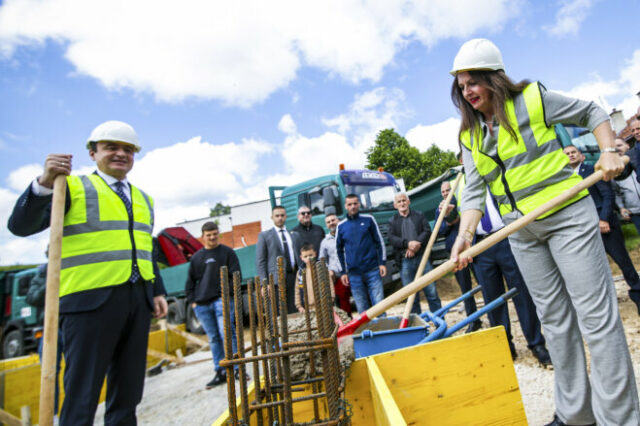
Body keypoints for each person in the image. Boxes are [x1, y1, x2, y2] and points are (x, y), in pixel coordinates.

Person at [449, 38, 639, 425]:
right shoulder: (470, 135)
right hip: (522, 233)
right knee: (554, 321)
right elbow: (473, 190)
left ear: (494, 77)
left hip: (568, 217)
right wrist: (465, 236)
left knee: (596, 317)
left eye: (473, 82)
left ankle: (620, 418)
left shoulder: (533, 100)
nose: (467, 91)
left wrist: (607, 150)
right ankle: (575, 416)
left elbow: (592, 112)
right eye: (461, 85)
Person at [8, 120, 168, 425]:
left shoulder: (143, 198)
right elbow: (20, 226)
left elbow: (143, 248)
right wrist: (44, 182)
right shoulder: (69, 187)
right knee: (82, 395)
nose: (121, 154)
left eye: (128, 149)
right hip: (87, 304)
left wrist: (157, 290)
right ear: (93, 153)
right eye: (111, 147)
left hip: (137, 301)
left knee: (128, 394)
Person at [455, 173, 551, 364]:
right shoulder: (460, 185)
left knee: (521, 293)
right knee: (492, 300)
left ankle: (536, 343)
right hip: (480, 247)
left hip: (506, 239)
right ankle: (505, 345)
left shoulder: (495, 173)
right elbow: (456, 217)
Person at [564, 144, 640, 314]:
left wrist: (604, 219)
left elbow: (608, 195)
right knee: (594, 269)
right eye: (567, 154)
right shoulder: (564, 178)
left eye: (573, 152)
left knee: (624, 263)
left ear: (581, 155)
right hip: (582, 229)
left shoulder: (593, 170)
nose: (571, 155)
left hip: (605, 226)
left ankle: (638, 294)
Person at [185, 221, 243, 389]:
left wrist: (227, 295)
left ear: (219, 234)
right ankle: (220, 371)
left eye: (214, 234)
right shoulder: (197, 257)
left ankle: (237, 369)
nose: (212, 237)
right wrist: (193, 302)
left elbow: (236, 275)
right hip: (202, 305)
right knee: (214, 339)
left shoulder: (228, 253)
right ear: (202, 237)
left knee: (227, 334)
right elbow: (190, 282)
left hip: (221, 301)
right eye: (208, 235)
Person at [436, 180, 483, 333]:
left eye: (448, 190)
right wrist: (448, 222)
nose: (445, 193)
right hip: (455, 254)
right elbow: (439, 230)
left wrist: (455, 216)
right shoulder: (440, 209)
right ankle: (473, 321)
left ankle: (494, 316)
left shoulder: (463, 201)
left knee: (484, 283)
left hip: (471, 249)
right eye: (443, 191)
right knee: (465, 289)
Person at [388, 192, 442, 314]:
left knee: (432, 293)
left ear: (409, 202)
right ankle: (417, 323)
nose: (402, 203)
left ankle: (440, 320)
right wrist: (407, 244)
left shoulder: (419, 215)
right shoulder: (392, 221)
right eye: (399, 202)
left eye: (404, 200)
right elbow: (392, 238)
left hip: (423, 258)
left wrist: (417, 244)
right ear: (395, 205)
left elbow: (427, 231)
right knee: (411, 298)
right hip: (405, 262)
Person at [336, 194, 387, 314]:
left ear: (359, 204)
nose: (353, 206)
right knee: (362, 309)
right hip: (354, 275)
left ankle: (383, 326)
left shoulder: (369, 219)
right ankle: (366, 327)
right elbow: (338, 250)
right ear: (345, 206)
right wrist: (343, 272)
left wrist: (382, 263)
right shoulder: (341, 226)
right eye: (350, 204)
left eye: (355, 203)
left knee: (379, 306)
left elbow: (379, 242)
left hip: (373, 270)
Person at [26, 258, 64, 417]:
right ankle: (52, 414)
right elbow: (32, 298)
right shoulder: (44, 272)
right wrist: (52, 281)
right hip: (51, 328)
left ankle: (71, 413)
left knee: (77, 370)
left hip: (74, 324)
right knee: (49, 373)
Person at [256, 205, 300, 314]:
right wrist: (264, 284)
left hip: (293, 278)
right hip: (275, 282)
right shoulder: (265, 236)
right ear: (272, 217)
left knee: (295, 311)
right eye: (277, 216)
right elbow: (260, 261)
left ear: (286, 216)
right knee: (278, 314)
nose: (280, 218)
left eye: (282, 215)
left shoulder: (294, 235)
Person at [318, 213, 352, 314]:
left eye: (333, 220)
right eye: (328, 222)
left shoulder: (348, 235)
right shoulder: (325, 242)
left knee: (361, 298)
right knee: (343, 302)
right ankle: (348, 321)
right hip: (338, 276)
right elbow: (322, 260)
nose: (331, 223)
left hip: (354, 272)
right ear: (326, 225)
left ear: (338, 220)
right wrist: (329, 270)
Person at [295, 243, 335, 313]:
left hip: (323, 305)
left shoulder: (322, 268)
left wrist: (331, 298)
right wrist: (299, 306)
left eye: (311, 255)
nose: (308, 258)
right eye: (305, 256)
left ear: (315, 254)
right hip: (307, 307)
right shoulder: (300, 272)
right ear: (301, 258)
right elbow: (297, 289)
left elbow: (330, 284)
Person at [612, 137, 640, 235]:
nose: (617, 149)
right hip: (634, 211)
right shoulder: (614, 170)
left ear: (627, 145)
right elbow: (616, 192)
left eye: (619, 145)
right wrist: (621, 207)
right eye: (614, 148)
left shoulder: (638, 159)